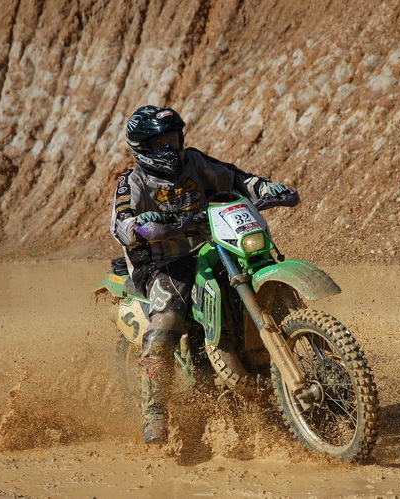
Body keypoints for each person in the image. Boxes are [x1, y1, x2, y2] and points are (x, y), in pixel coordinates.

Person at [110, 105, 289, 444]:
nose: (169, 148)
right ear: (142, 148)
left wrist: (267, 189)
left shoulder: (195, 162)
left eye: (172, 139)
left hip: (212, 245)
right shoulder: (133, 181)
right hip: (162, 262)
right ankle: (154, 412)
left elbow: (236, 178)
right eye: (159, 143)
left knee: (254, 268)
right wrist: (143, 225)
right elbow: (121, 221)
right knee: (168, 317)